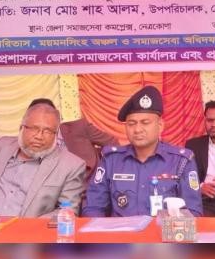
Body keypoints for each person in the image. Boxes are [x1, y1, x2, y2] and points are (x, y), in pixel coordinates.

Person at [82, 86, 203, 217]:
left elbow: (193, 212)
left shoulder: (181, 161)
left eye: (145, 123)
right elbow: (93, 207)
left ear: (160, 126)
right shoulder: (111, 160)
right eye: (131, 123)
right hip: (121, 230)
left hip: (164, 230)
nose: (137, 129)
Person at [0, 103, 86, 217]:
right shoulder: (2, 146)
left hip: (28, 232)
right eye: (34, 128)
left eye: (47, 131)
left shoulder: (71, 165)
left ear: (56, 134)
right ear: (22, 128)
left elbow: (68, 211)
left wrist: (25, 227)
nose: (39, 136)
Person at [28, 98, 118, 181]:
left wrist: (105, 168)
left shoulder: (79, 127)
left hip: (92, 183)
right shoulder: (32, 145)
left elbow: (113, 143)